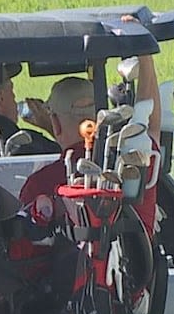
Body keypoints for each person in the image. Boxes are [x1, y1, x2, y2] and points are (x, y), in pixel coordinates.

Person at [19, 53, 161, 237]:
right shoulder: (134, 158)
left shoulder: (39, 184)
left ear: (55, 123)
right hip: (140, 266)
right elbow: (151, 123)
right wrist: (145, 56)